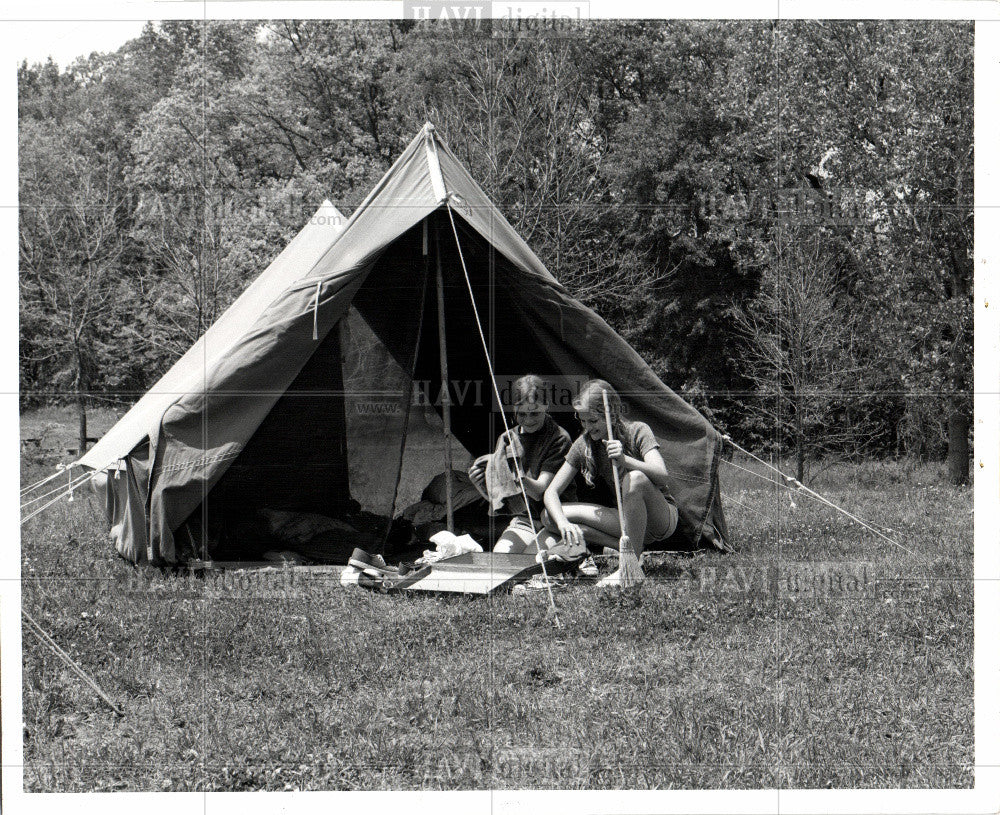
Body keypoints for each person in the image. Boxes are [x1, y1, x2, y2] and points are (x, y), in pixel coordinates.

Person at [542, 379, 678, 559]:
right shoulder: (584, 443)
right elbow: (551, 492)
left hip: (660, 519)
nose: (588, 427)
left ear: (612, 415)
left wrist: (625, 460)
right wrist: (562, 524)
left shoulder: (637, 430)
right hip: (625, 520)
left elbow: (662, 477)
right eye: (582, 421)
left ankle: (631, 564)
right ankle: (612, 542)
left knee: (635, 479)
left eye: (593, 420)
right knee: (549, 516)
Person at [468, 375, 575, 555]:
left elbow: (539, 491)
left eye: (534, 413)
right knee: (502, 558)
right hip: (525, 521)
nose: (528, 420)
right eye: (521, 414)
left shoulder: (559, 438)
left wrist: (514, 475)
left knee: (531, 560)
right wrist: (480, 484)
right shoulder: (506, 440)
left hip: (555, 518)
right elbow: (502, 501)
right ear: (514, 409)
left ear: (546, 406)